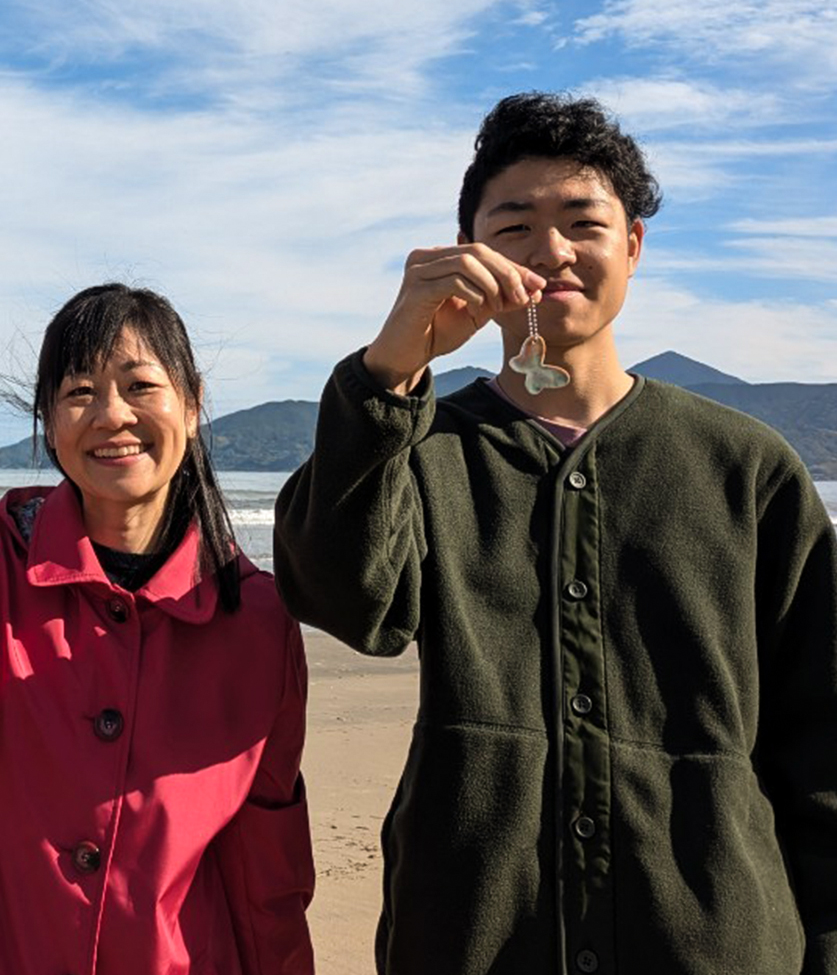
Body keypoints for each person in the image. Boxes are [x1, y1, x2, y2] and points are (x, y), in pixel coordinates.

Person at [274, 93, 837, 975]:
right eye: (514, 225)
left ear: (633, 247)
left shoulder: (745, 466)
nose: (551, 251)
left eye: (583, 221)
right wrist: (389, 370)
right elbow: (348, 604)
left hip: (713, 941)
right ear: (466, 252)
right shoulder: (420, 449)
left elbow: (821, 747)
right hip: (474, 937)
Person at [0, 283, 314, 974]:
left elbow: (265, 872)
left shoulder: (255, 620)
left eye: (139, 386)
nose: (110, 416)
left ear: (190, 402)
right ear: (48, 420)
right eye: (78, 393)